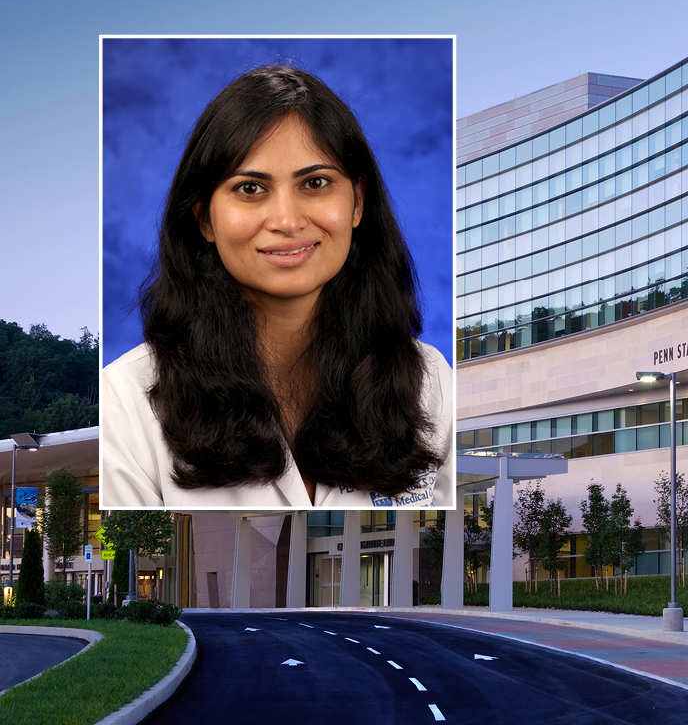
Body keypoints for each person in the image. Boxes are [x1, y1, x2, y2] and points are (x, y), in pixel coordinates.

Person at [102, 64, 453, 508]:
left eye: (315, 183)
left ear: (358, 201)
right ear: (204, 218)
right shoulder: (126, 401)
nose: (287, 221)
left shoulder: (430, 382)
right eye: (250, 188)